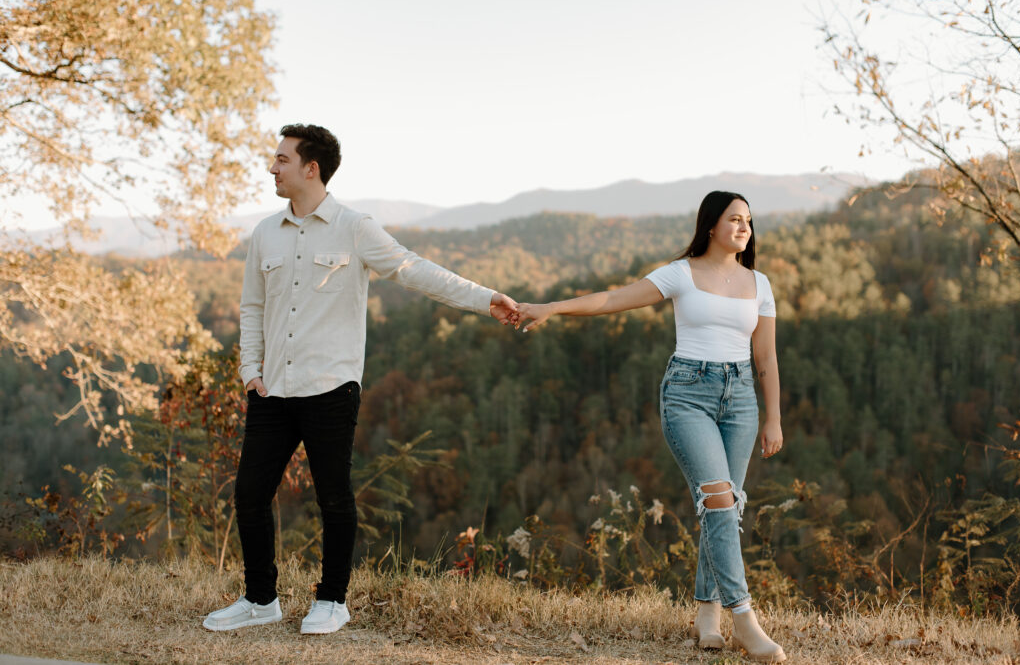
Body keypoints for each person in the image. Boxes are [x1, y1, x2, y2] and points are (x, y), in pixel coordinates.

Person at [203, 124, 519, 635]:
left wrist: (486, 299)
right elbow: (252, 308)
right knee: (249, 495)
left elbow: (414, 270)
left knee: (333, 497)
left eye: (282, 159)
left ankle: (332, 600)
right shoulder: (264, 233)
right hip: (271, 390)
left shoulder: (354, 227)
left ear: (312, 168)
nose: (271, 168)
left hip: (330, 387)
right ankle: (260, 600)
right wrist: (250, 372)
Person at [515, 190, 786, 662]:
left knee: (725, 510)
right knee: (719, 500)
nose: (744, 227)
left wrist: (774, 417)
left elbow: (765, 356)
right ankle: (744, 618)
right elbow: (613, 299)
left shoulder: (759, 283)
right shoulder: (680, 274)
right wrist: (553, 307)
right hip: (688, 394)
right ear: (710, 226)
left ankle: (707, 614)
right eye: (734, 219)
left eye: (748, 220)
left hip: (740, 399)